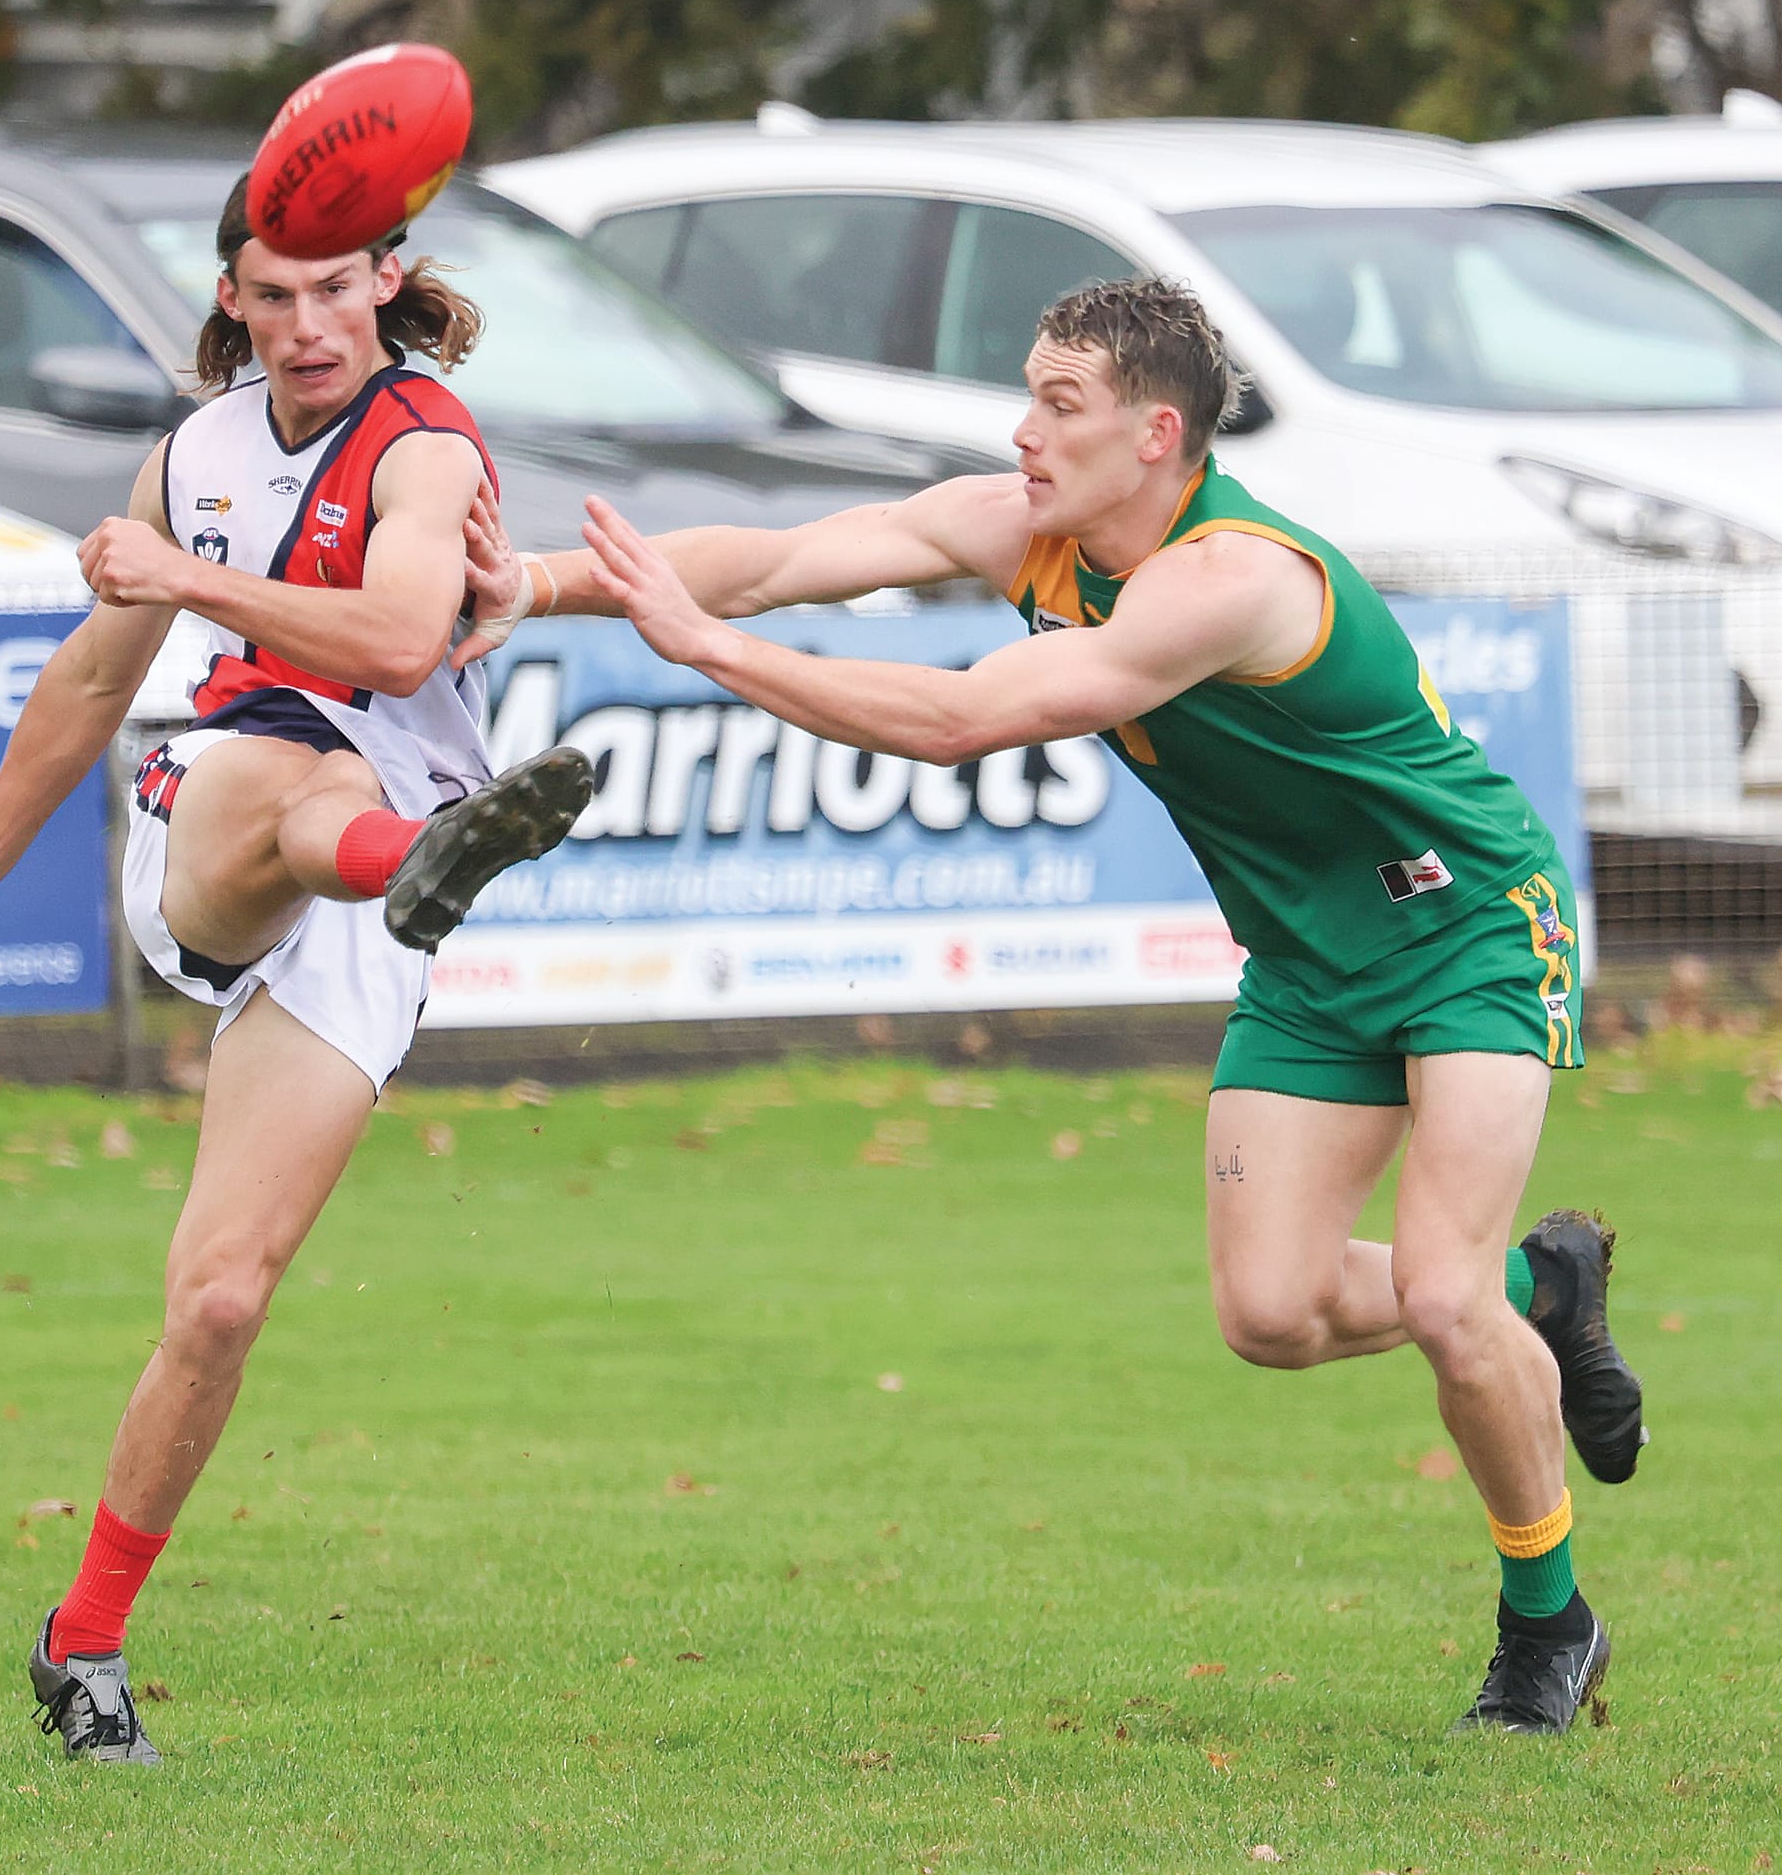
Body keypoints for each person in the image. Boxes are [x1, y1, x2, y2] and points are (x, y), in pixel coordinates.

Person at [459, 277, 1643, 1735]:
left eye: (1057, 405)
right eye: (1026, 396)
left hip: (1465, 926)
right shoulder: (1039, 530)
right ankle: (1552, 1293)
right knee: (1271, 1311)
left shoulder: (1233, 578)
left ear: (1156, 434)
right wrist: (538, 586)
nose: (1023, 432)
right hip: (1310, 963)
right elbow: (770, 557)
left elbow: (966, 719)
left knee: (1444, 1301)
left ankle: (1549, 1628)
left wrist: (710, 656)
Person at [0, 177, 590, 1764]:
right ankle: (428, 862)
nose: (310, 325)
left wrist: (184, 578)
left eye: (336, 290)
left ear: (389, 280)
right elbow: (92, 673)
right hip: (234, 833)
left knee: (222, 1299)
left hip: (366, 898)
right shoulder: (198, 455)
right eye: (275, 294)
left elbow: (396, 645)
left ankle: (84, 1638)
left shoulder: (425, 441)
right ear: (233, 300)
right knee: (294, 778)